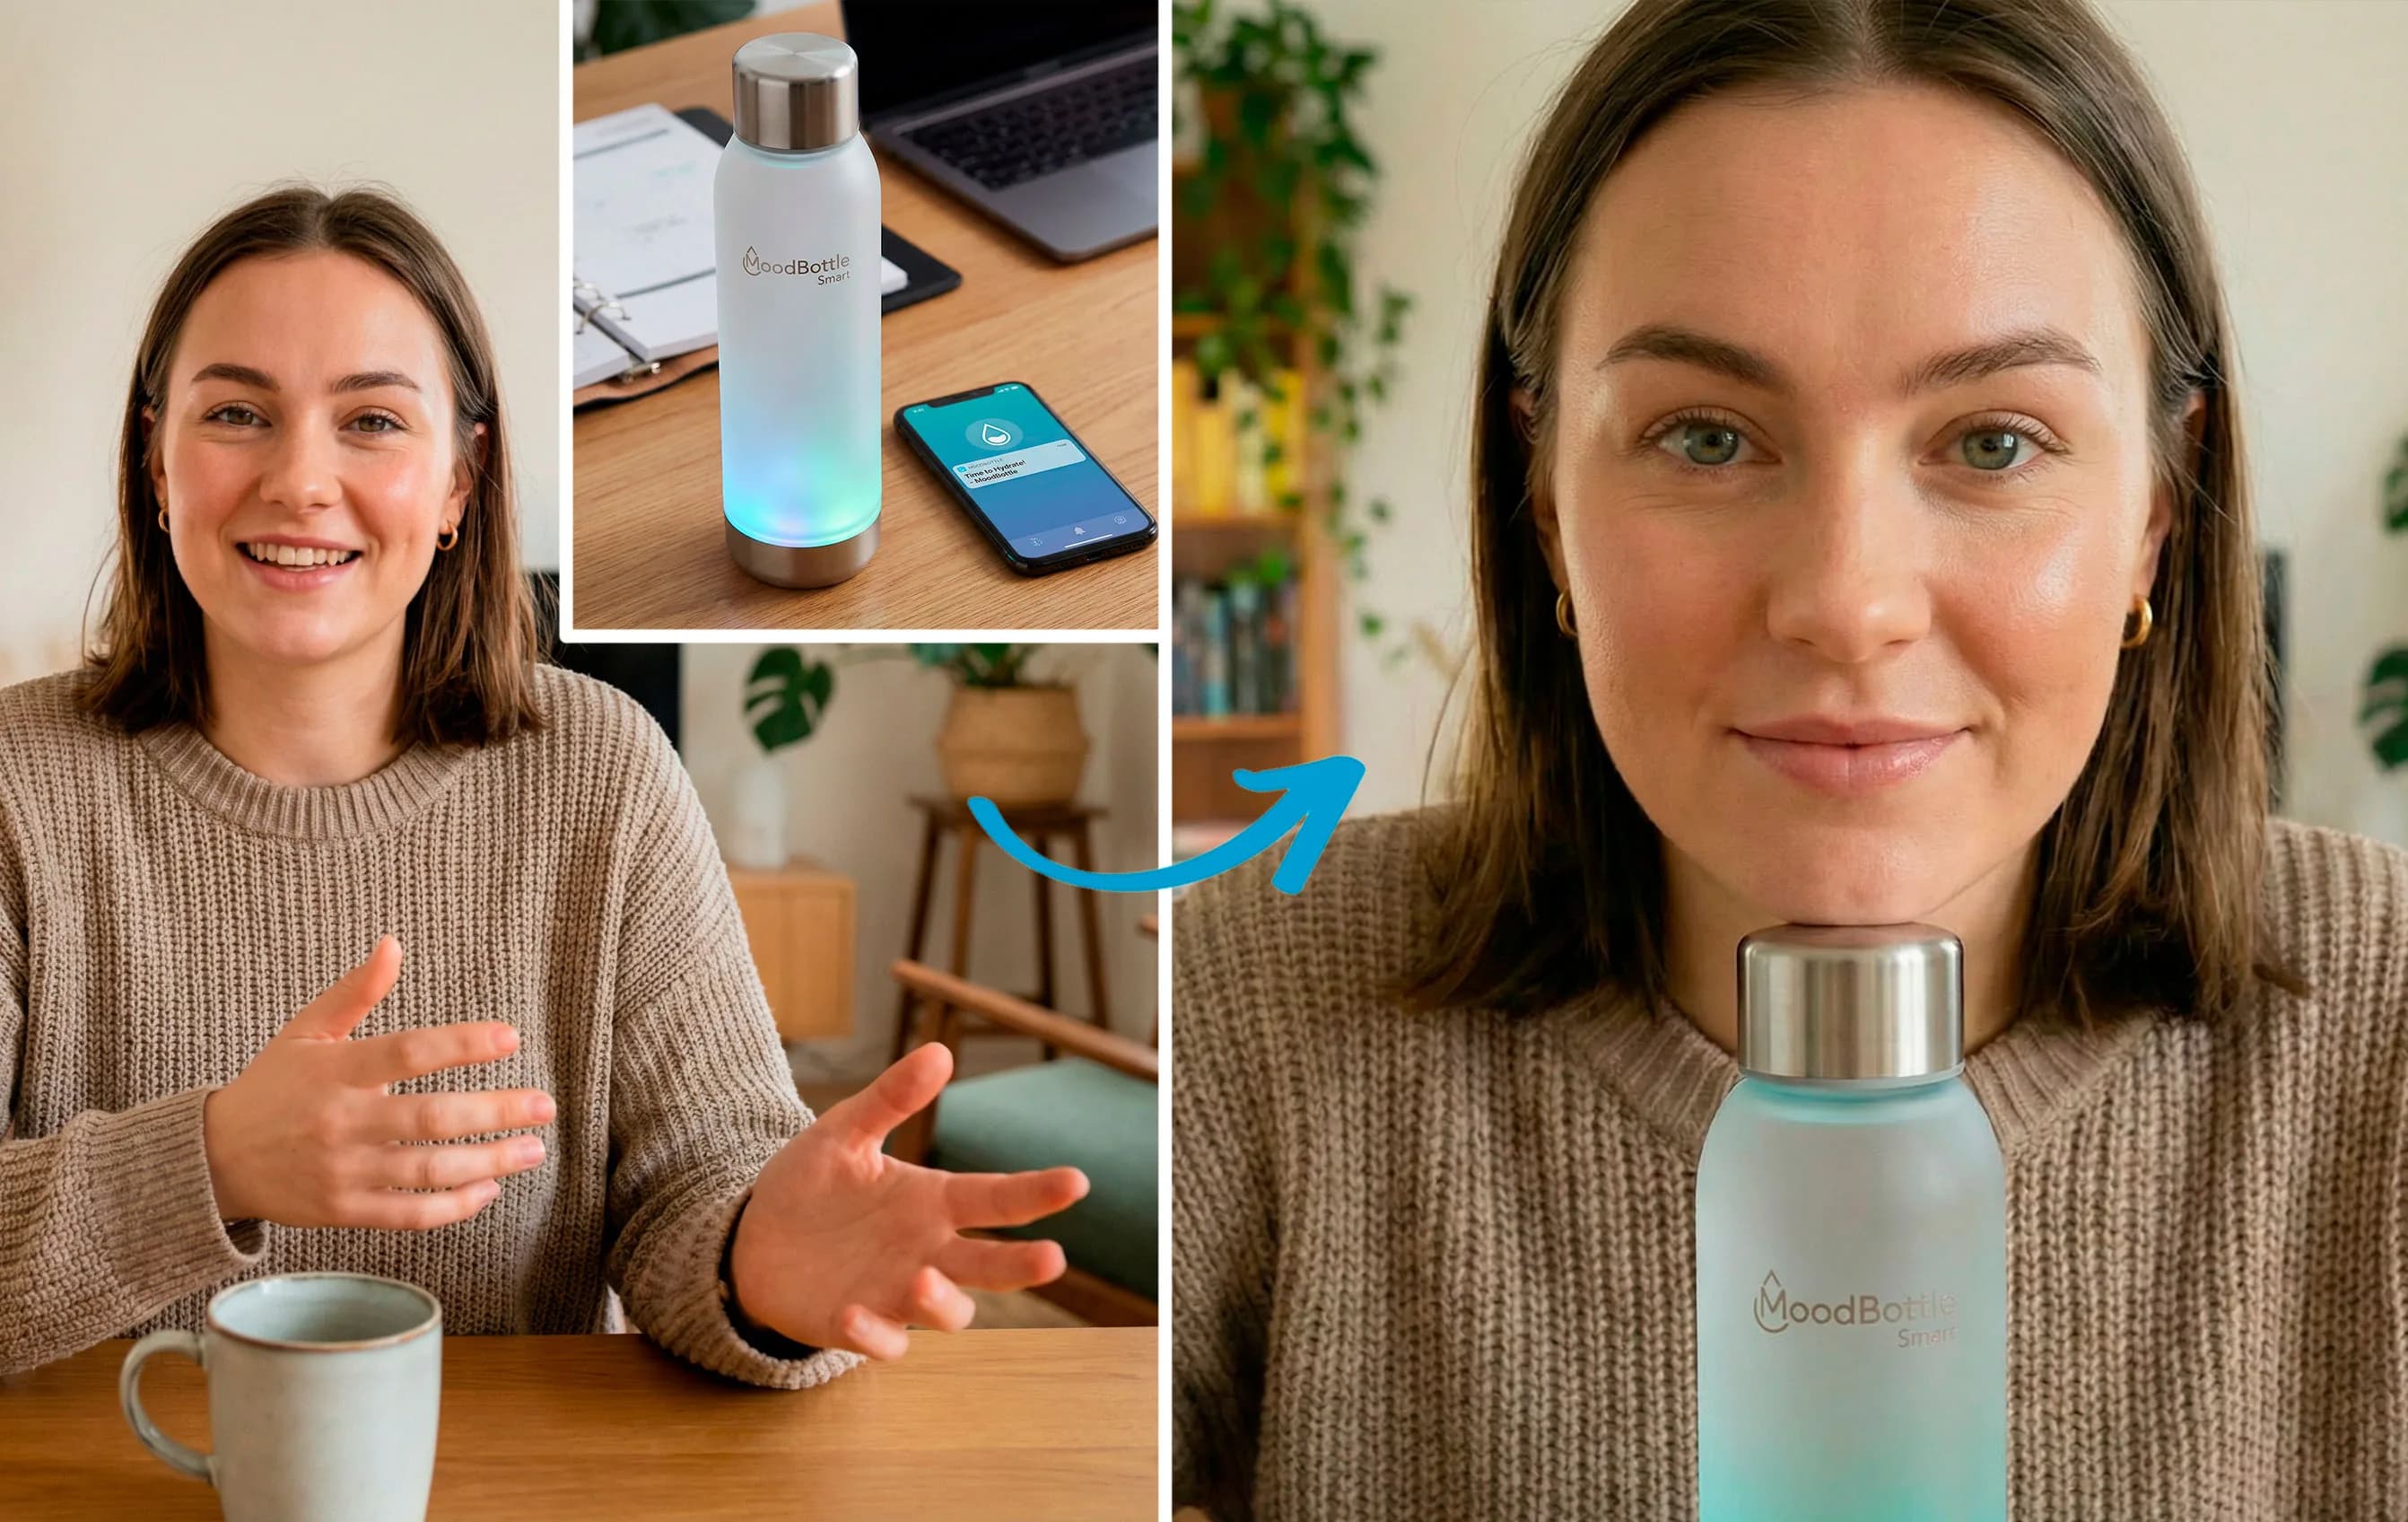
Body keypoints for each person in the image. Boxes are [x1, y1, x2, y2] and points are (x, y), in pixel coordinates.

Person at [1171, 0, 2405, 1516]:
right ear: (1545, 503)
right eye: (1705, 437)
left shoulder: (2386, 1030)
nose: (1846, 601)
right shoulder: (1257, 1010)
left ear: (2157, 510)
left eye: (1994, 443)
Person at [0, 185, 1086, 1386]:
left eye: (372, 421)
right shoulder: (15, 784)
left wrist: (756, 1268)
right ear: (155, 461)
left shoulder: (602, 770)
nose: (300, 480)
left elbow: (708, 1173)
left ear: (460, 483)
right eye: (237, 413)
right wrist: (209, 1164)